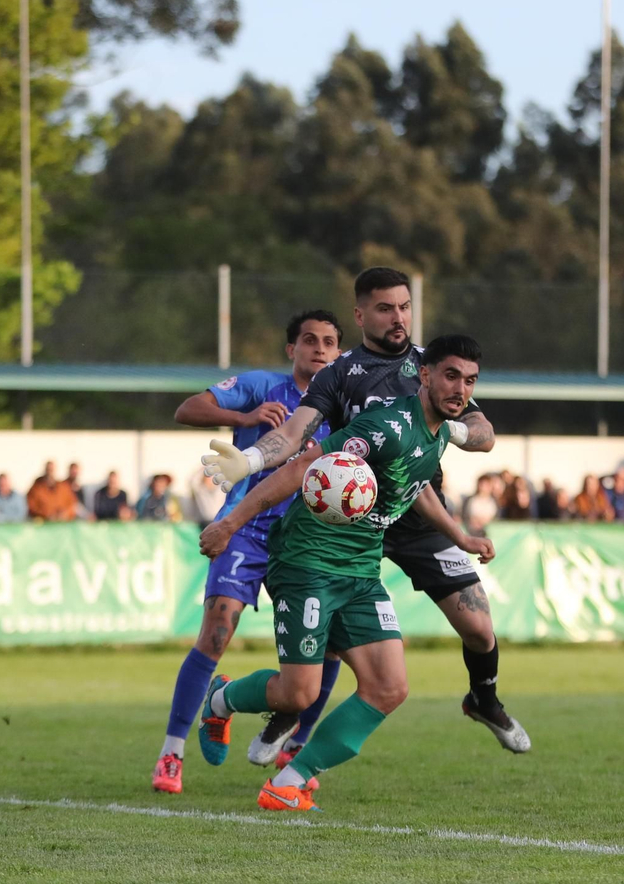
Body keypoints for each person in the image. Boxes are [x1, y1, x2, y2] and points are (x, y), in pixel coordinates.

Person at [202, 269, 527, 757]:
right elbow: (295, 438)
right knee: (329, 646)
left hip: (418, 507)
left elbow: (484, 433)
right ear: (360, 315)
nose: (398, 318)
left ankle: (484, 699)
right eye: (384, 308)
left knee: (480, 629)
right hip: (346, 520)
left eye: (404, 307)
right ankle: (287, 710)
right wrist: (249, 460)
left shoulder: (435, 366)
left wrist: (444, 431)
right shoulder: (340, 372)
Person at [150, 309, 341, 794]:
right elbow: (188, 408)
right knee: (217, 631)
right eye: (309, 340)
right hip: (247, 528)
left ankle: (294, 751)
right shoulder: (262, 387)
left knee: (331, 644)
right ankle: (171, 754)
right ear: (291, 349)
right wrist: (244, 417)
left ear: (340, 353)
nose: (319, 349)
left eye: (329, 343)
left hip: (308, 537)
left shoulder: (344, 402)